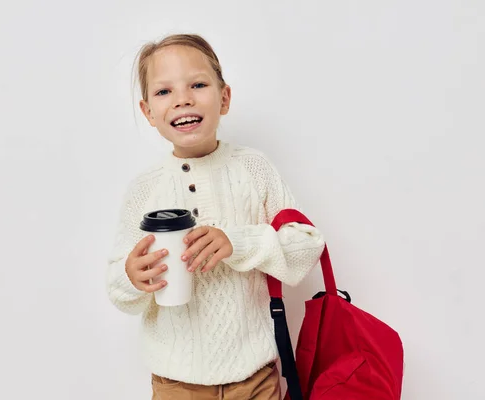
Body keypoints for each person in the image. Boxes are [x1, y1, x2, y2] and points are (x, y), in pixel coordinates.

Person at [106, 33, 325, 400]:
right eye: (164, 92)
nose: (183, 99)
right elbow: (118, 288)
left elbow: (305, 246)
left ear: (224, 98)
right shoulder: (144, 191)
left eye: (197, 84)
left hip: (254, 379)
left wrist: (237, 242)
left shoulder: (254, 169)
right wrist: (132, 276)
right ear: (148, 113)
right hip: (175, 384)